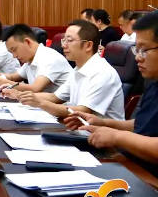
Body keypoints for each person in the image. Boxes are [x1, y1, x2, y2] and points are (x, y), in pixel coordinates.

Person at [64, 11, 158, 173]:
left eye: (144, 50)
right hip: (131, 162)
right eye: (136, 50)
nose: (138, 58)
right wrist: (103, 123)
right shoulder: (154, 82)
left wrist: (116, 136)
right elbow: (144, 125)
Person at [18, 19, 125, 120]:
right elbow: (55, 97)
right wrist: (23, 96)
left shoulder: (102, 73)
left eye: (69, 40)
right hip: (80, 128)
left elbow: (83, 111)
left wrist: (41, 103)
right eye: (64, 40)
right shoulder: (78, 68)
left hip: (101, 132)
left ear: (88, 45)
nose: (63, 45)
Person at [0, 24, 71, 93]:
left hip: (65, 110)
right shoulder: (30, 59)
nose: (14, 56)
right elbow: (13, 77)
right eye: (11, 52)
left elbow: (35, 88)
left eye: (14, 50)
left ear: (27, 42)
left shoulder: (49, 57)